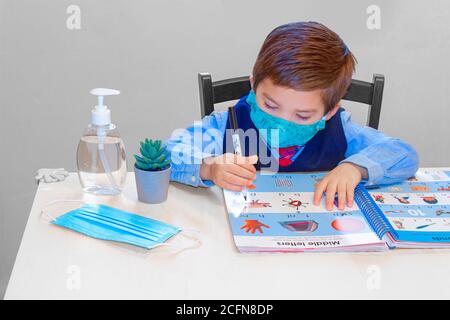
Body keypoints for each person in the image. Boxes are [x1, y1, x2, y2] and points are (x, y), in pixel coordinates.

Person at [166, 21, 419, 211]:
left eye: (303, 115)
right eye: (271, 106)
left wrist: (355, 169)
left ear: (329, 111)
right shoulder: (228, 124)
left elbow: (404, 154)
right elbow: (165, 155)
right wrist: (207, 167)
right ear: (254, 86)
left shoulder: (340, 129)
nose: (282, 122)